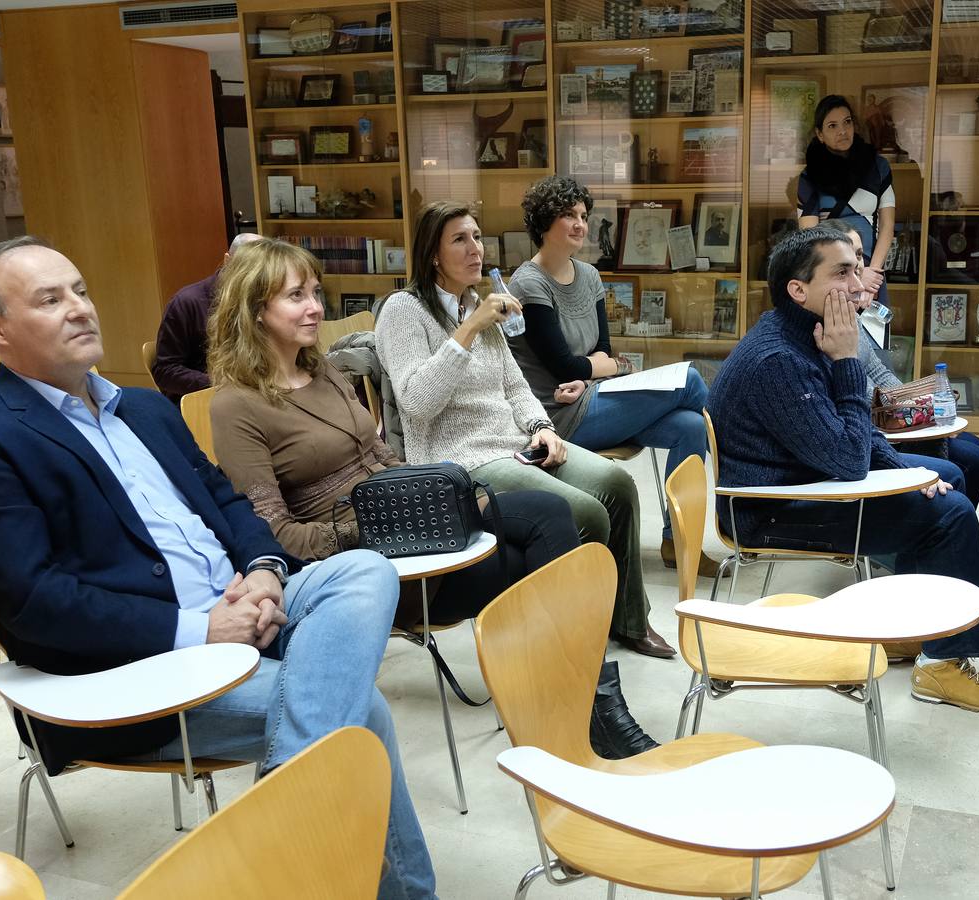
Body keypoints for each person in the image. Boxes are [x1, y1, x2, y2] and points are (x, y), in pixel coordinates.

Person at [0, 236, 436, 898]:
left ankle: (286, 796)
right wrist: (199, 631)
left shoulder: (144, 408)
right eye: (50, 299)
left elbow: (228, 500)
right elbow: (32, 601)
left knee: (364, 570)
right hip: (137, 670)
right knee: (358, 709)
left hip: (247, 608)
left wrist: (264, 570)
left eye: (80, 290)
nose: (79, 308)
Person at [205, 236, 657, 758]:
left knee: (548, 517)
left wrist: (439, 497)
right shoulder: (236, 406)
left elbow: (382, 457)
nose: (315, 306)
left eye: (314, 291)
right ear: (255, 312)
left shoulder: (323, 369)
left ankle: (578, 700)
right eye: (295, 296)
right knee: (542, 534)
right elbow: (275, 536)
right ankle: (578, 709)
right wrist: (397, 519)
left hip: (416, 532)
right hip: (373, 569)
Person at [707, 226, 979, 712]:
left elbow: (854, 433)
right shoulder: (780, 360)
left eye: (857, 269)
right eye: (843, 272)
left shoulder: (807, 333)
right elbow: (850, 459)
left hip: (806, 479)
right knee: (950, 514)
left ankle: (910, 632)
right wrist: (848, 360)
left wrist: (906, 474)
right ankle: (944, 667)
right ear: (798, 290)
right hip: (772, 510)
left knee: (946, 477)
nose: (858, 285)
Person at [374, 201, 672, 660]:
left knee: (618, 483)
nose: (476, 249)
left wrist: (541, 427)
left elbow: (514, 384)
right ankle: (576, 637)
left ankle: (629, 620)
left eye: (477, 236)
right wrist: (468, 329)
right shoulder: (404, 311)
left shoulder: (477, 303)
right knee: (586, 512)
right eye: (460, 239)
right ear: (432, 253)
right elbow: (417, 402)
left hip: (516, 446)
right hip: (461, 460)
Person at [507, 175, 722, 574]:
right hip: (556, 417)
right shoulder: (529, 283)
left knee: (691, 425)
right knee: (691, 382)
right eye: (568, 215)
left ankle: (680, 544)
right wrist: (607, 368)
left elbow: (602, 351)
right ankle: (737, 480)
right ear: (542, 222)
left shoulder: (589, 276)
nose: (579, 224)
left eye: (583, 215)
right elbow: (565, 367)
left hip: (594, 396)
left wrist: (598, 371)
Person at [830, 220, 979, 506]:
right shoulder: (830, 323)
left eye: (860, 255)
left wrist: (911, 398)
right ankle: (936, 529)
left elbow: (877, 371)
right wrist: (906, 407)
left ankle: (945, 530)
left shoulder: (851, 313)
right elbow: (854, 385)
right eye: (850, 256)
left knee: (975, 447)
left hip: (883, 419)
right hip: (870, 431)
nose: (858, 265)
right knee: (969, 461)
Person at [797, 95, 895, 309]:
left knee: (874, 340)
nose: (842, 130)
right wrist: (851, 276)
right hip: (830, 279)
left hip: (872, 273)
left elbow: (887, 226)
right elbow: (810, 238)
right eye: (832, 125)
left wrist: (870, 276)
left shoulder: (878, 167)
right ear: (820, 134)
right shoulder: (810, 176)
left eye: (847, 122)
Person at [151, 232, 263, 404]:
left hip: (253, 395)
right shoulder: (188, 302)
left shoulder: (263, 300)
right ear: (228, 261)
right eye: (249, 268)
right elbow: (165, 371)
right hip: (201, 402)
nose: (256, 277)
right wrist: (219, 383)